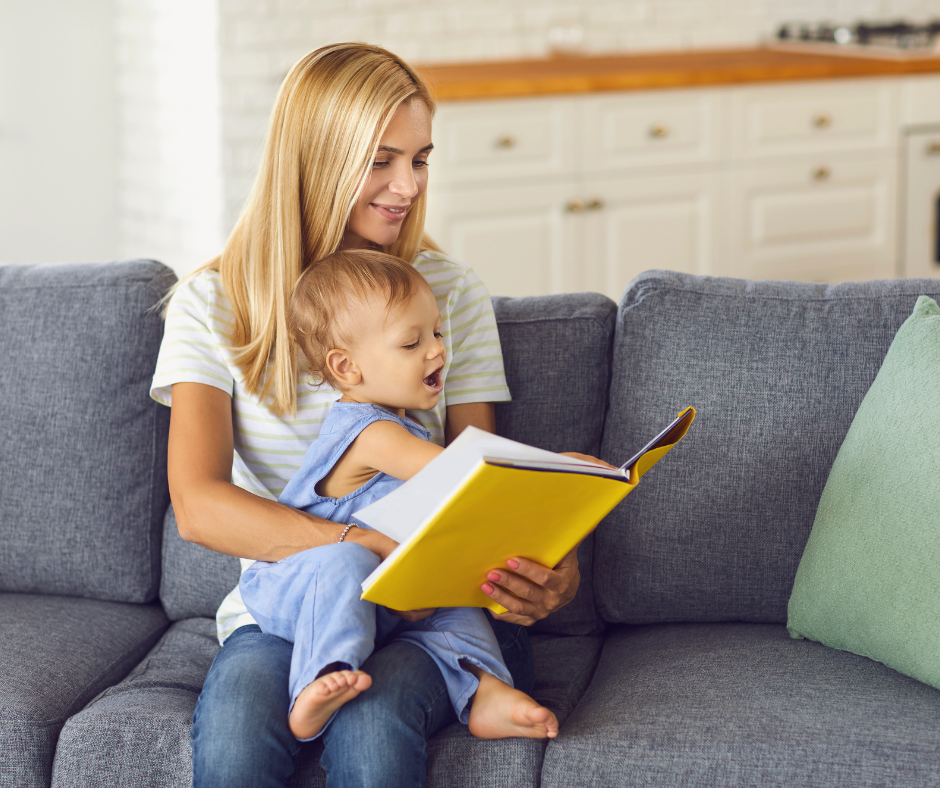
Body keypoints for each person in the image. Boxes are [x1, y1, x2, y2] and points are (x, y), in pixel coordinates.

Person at [152, 42, 586, 788]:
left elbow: (476, 478)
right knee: (232, 740)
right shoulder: (213, 303)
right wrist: (359, 553)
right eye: (382, 160)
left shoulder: (448, 291)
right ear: (316, 159)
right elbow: (198, 506)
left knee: (376, 727)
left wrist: (556, 568)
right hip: (289, 603)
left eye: (420, 159)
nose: (408, 185)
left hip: (435, 610)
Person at [239, 248, 559, 744]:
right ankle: (316, 682)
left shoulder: (401, 425)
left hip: (375, 594)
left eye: (436, 333)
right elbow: (465, 475)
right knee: (344, 559)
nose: (436, 350)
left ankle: (485, 688)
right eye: (412, 343)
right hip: (297, 588)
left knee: (448, 591)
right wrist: (565, 470)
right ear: (347, 368)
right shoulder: (370, 433)